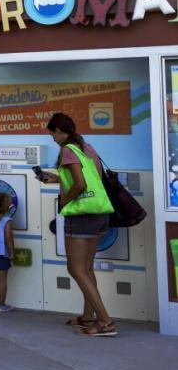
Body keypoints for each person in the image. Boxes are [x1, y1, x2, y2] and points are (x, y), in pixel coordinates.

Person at [38, 112, 116, 337]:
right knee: (87, 268)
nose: (52, 139)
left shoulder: (68, 150)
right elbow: (93, 178)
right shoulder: (86, 147)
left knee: (75, 268)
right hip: (99, 212)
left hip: (81, 216)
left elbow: (80, 184)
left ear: (59, 131)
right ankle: (88, 316)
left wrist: (65, 199)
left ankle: (105, 322)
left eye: (52, 134)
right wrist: (56, 179)